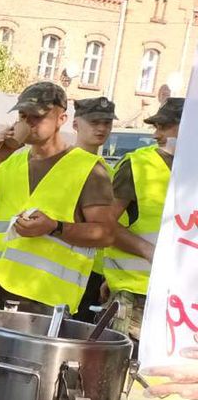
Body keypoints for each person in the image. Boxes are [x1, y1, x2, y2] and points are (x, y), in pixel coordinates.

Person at [0, 82, 116, 313]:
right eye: (23, 115)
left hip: (47, 301)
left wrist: (54, 227)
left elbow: (106, 234)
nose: (28, 122)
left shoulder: (89, 168)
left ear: (62, 119)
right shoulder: (9, 164)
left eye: (37, 117)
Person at [103, 97, 185, 340]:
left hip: (183, 299)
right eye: (156, 127)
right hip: (136, 297)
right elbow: (104, 224)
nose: (157, 134)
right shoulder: (138, 165)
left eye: (165, 126)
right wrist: (149, 251)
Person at [68, 97, 117, 322]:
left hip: (96, 271)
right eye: (94, 122)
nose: (101, 128)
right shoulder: (63, 165)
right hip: (67, 266)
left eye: (107, 123)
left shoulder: (106, 170)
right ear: (76, 123)